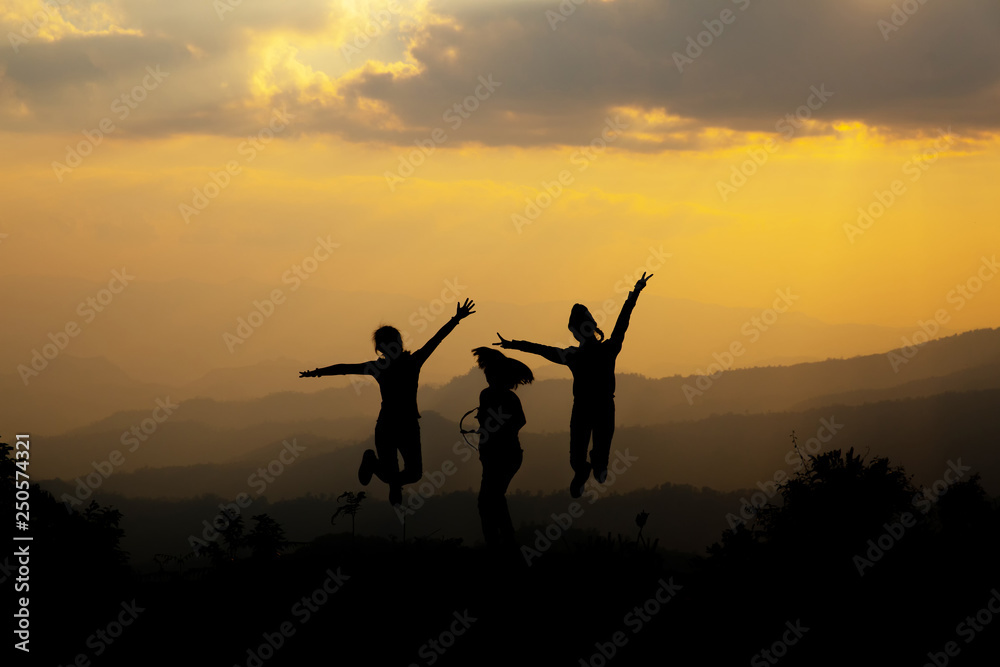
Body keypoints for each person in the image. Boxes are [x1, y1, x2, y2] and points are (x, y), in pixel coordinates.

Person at [300, 299, 476, 505]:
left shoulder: (384, 367)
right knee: (411, 473)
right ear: (397, 344)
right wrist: (456, 319)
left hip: (390, 425)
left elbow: (345, 368)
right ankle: (390, 483)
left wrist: (317, 373)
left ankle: (378, 469)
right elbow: (436, 340)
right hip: (404, 425)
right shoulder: (412, 362)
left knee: (402, 473)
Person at [495, 272, 652, 498]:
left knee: (590, 454)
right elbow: (622, 322)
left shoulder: (580, 354)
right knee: (587, 455)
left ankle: (591, 468)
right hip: (598, 408)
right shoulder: (592, 352)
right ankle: (589, 470)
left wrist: (513, 345)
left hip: (593, 409)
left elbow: (621, 322)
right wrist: (634, 293)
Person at [470, 347, 532, 550]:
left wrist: (496, 430)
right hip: (494, 454)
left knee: (488, 500)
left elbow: (519, 421)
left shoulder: (504, 397)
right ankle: (503, 542)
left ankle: (499, 543)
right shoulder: (488, 395)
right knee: (493, 499)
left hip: (504, 455)